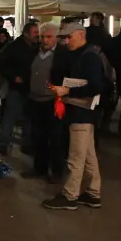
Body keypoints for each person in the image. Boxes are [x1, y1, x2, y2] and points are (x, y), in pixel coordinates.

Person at [42, 23, 105, 210]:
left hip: (82, 113)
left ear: (81, 34)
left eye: (69, 37)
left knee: (76, 156)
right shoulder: (76, 54)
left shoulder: (90, 57)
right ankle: (93, 193)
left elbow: (96, 86)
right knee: (88, 156)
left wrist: (68, 90)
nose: (66, 41)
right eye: (64, 38)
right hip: (78, 111)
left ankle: (70, 196)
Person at [27, 23, 66, 182]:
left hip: (53, 101)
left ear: (56, 37)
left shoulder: (62, 55)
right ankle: (39, 168)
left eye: (48, 37)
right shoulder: (34, 52)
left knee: (55, 138)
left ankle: (57, 171)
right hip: (35, 101)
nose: (44, 40)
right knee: (38, 136)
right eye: (42, 36)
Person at [0, 21, 39, 153]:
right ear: (26, 33)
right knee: (10, 117)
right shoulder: (13, 47)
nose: (38, 35)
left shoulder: (37, 47)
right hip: (17, 88)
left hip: (31, 88)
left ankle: (27, 144)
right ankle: (4, 144)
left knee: (29, 118)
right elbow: (0, 65)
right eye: (35, 32)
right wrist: (13, 77)